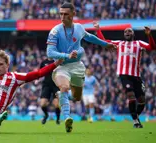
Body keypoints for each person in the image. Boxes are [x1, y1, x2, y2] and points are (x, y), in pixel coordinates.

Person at [46, 2, 116, 133]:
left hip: (77, 66)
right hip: (61, 65)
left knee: (77, 97)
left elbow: (90, 37)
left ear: (73, 14)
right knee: (64, 87)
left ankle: (62, 96)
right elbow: (49, 53)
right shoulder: (55, 31)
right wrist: (66, 55)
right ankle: (67, 118)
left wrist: (105, 44)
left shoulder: (79, 28)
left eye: (66, 14)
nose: (62, 17)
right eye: (61, 14)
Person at [93, 21, 156, 128]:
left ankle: (135, 117)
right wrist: (98, 30)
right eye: (125, 31)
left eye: (129, 31)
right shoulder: (119, 43)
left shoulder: (139, 43)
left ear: (133, 34)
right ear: (124, 34)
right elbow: (104, 41)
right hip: (124, 75)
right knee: (130, 95)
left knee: (141, 100)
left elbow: (152, 47)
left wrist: (149, 35)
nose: (127, 32)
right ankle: (136, 121)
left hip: (136, 76)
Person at [35, 57, 60, 125]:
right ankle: (46, 115)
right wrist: (37, 79)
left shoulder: (57, 61)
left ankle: (58, 118)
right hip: (46, 85)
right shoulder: (44, 62)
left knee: (57, 104)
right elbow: (39, 72)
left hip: (56, 85)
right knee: (42, 104)